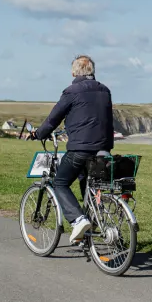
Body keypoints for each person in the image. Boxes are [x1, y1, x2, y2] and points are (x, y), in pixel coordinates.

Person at [33, 55, 114, 244]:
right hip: (103, 148)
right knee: (87, 183)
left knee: (60, 182)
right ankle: (92, 225)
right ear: (92, 71)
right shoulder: (105, 90)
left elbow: (53, 119)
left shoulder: (71, 91)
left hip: (80, 148)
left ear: (73, 72)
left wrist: (39, 134)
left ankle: (79, 220)